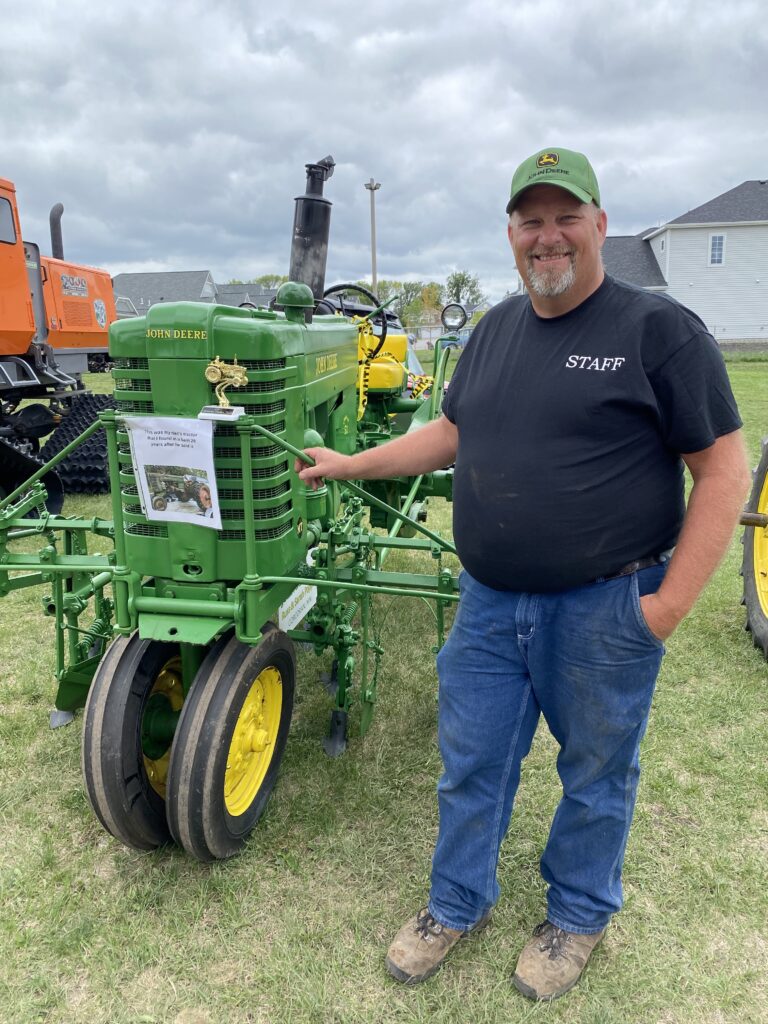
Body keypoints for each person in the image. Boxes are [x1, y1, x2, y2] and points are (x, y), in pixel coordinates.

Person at [296, 147, 750, 1001]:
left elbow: (724, 467)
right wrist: (355, 464)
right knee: (472, 763)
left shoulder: (658, 332)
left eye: (565, 217)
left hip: (606, 608)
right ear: (511, 234)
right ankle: (454, 903)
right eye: (530, 220)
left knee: (595, 774)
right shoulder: (495, 329)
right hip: (489, 604)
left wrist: (666, 609)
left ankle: (577, 916)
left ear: (600, 226)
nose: (548, 237)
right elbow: (455, 433)